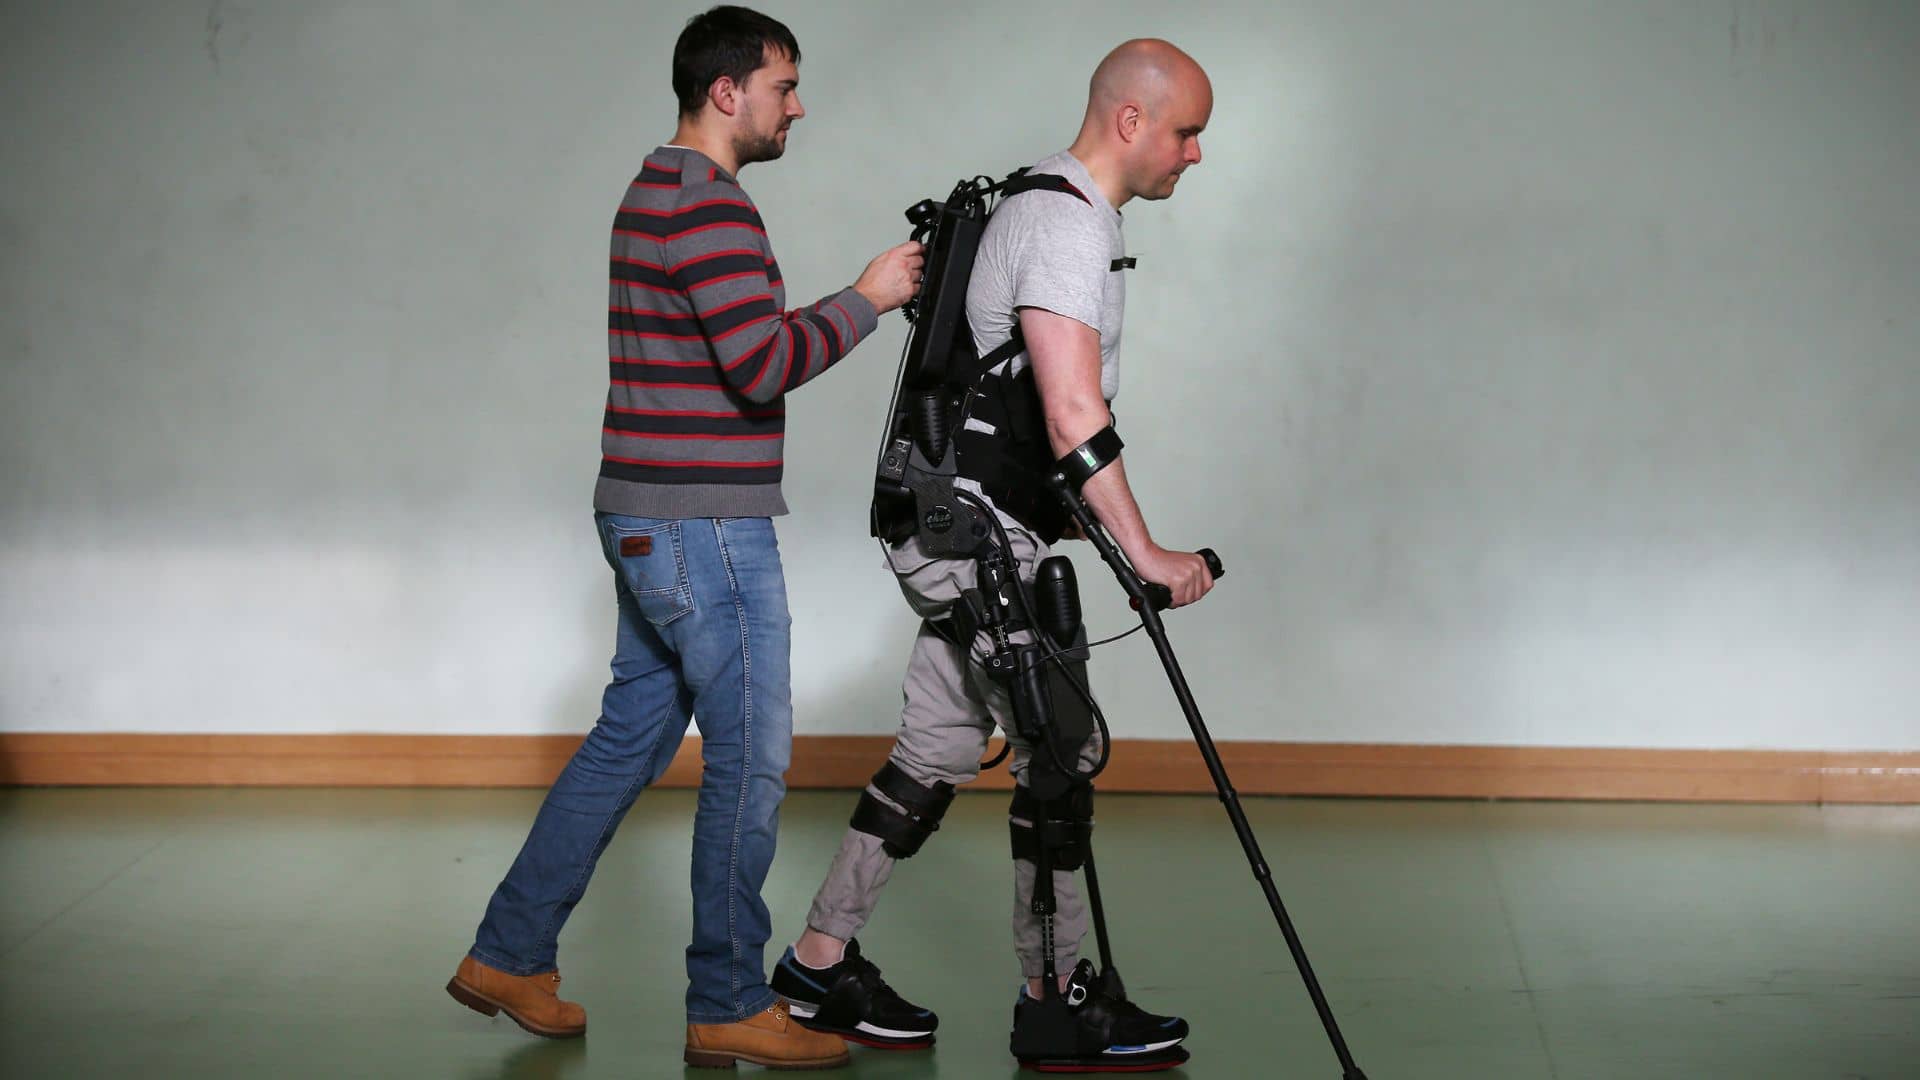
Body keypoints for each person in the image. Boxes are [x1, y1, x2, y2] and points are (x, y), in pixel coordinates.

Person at [443, 6, 924, 1071]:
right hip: (702, 523)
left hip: (650, 510)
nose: (797, 105)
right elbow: (761, 364)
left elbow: (729, 353)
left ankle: (510, 952)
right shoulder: (709, 208)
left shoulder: (654, 191)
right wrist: (869, 296)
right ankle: (726, 1000)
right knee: (750, 758)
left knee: (632, 738)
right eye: (784, 86)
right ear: (727, 91)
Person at [771, 38, 1217, 1069]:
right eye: (1187, 132)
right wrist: (1145, 552)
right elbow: (1069, 408)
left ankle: (817, 962)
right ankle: (1055, 1004)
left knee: (935, 749)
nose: (1195, 155)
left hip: (948, 521)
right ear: (1130, 122)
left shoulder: (1041, 205)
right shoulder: (1064, 222)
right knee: (1061, 748)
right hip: (975, 533)